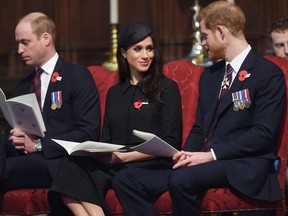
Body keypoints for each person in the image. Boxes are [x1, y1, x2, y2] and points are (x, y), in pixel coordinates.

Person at [113, 2, 286, 216]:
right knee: (126, 179)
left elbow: (262, 135)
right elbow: (199, 127)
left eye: (205, 35)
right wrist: (185, 154)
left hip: (242, 164)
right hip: (205, 162)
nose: (203, 43)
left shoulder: (267, 74)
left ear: (221, 32)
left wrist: (211, 155)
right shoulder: (210, 75)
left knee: (182, 179)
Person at [49, 21, 182, 215]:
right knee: (70, 165)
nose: (146, 56)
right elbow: (109, 141)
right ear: (123, 53)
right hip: (117, 164)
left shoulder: (167, 88)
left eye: (150, 49)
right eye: (138, 49)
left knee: (124, 178)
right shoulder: (114, 93)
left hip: (153, 166)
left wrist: (125, 157)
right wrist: (98, 152)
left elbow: (171, 142)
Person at [0, 12, 101, 193]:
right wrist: (14, 138)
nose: (19, 50)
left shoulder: (76, 76)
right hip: (25, 157)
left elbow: (88, 132)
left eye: (25, 42)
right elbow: (10, 131)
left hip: (60, 161)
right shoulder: (23, 85)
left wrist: (38, 145)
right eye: (18, 43)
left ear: (45, 38)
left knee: (6, 169)